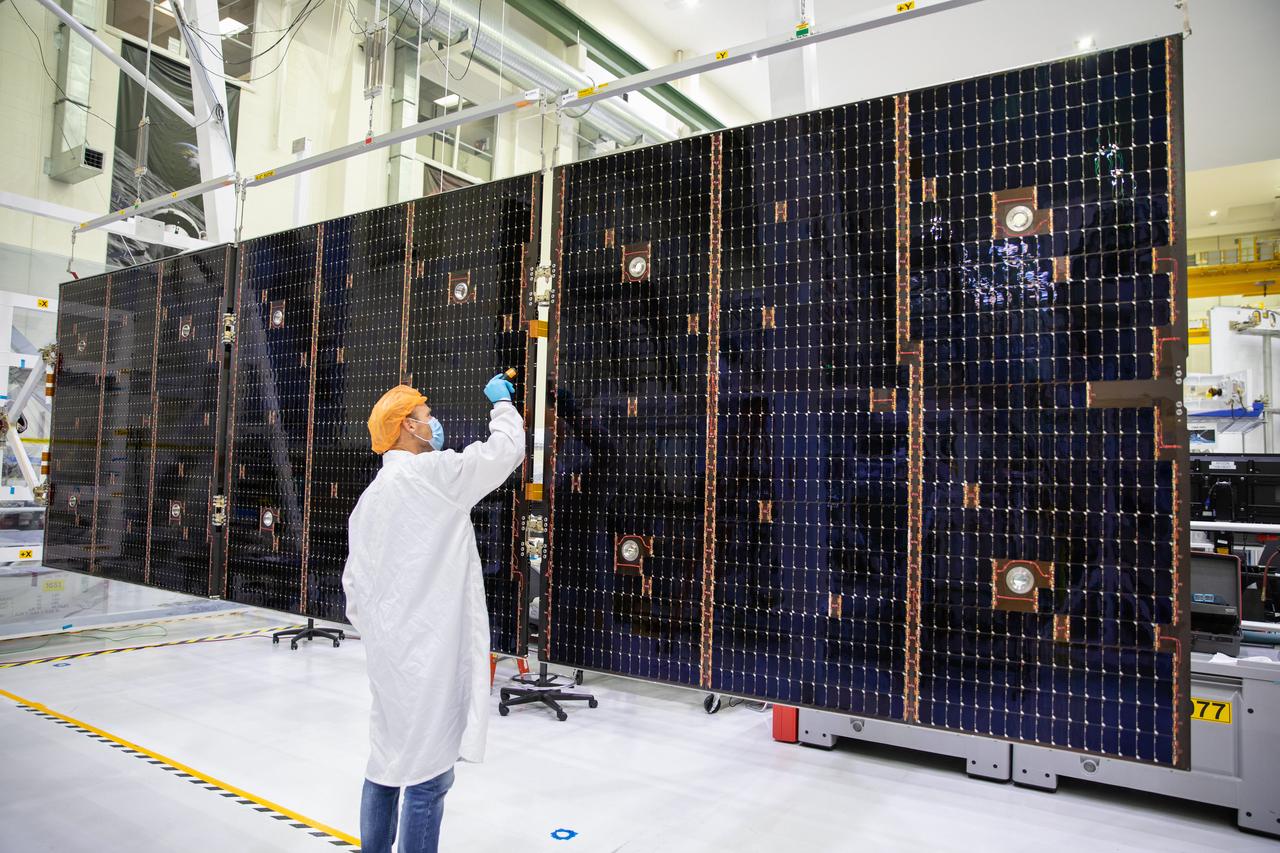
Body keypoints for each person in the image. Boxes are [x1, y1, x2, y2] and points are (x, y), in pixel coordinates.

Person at [342, 374, 524, 853]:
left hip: (389, 659)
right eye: (426, 417)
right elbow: (505, 452)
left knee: (386, 764)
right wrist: (503, 405)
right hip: (431, 656)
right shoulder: (434, 476)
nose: (434, 423)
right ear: (406, 427)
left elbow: (353, 592)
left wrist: (387, 635)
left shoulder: (368, 502)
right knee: (429, 776)